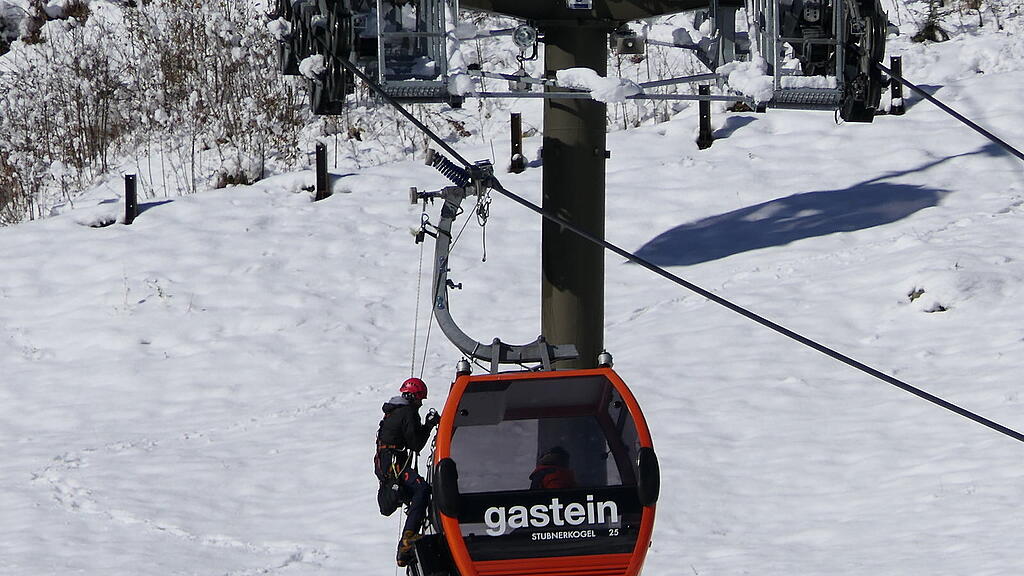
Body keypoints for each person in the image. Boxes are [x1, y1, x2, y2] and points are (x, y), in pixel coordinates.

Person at [375, 377, 441, 566]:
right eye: (420, 399)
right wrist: (428, 425)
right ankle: (407, 539)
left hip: (388, 465)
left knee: (416, 491)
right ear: (414, 397)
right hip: (395, 465)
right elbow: (416, 443)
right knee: (422, 489)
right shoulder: (407, 413)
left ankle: (406, 546)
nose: (421, 403)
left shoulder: (393, 412)